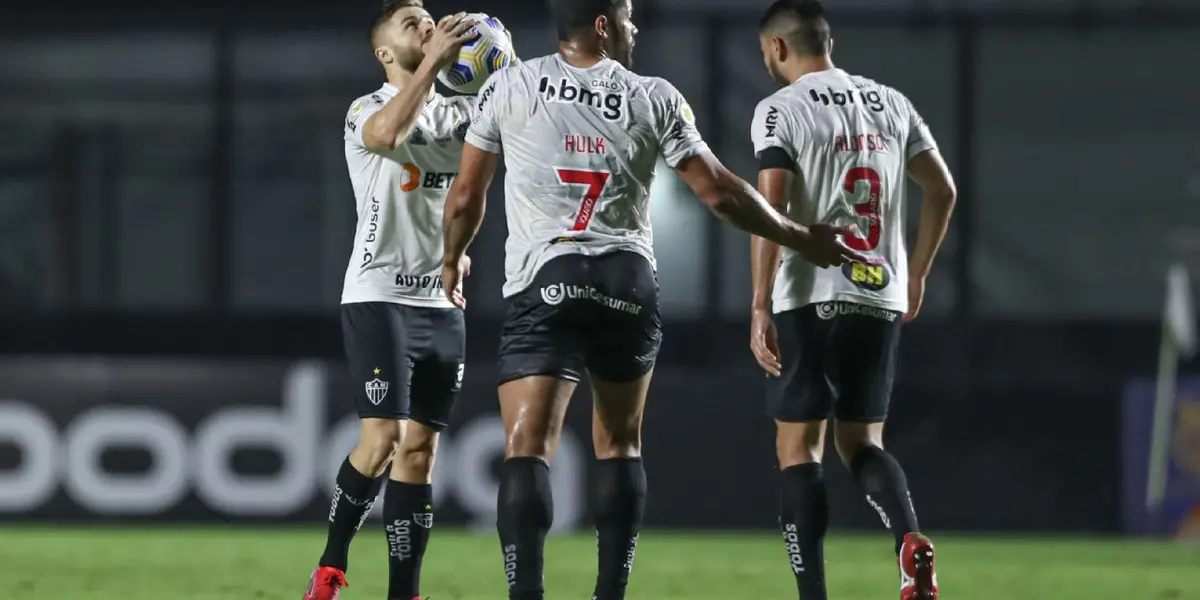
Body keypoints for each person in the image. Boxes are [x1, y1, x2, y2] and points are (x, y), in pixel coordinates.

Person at [439, 0, 864, 598]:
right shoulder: (654, 95)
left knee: (527, 446)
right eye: (629, 17)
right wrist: (800, 236)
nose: (636, 28)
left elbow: (463, 198)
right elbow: (719, 192)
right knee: (619, 443)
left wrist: (454, 255)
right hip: (626, 283)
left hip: (546, 281)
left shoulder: (509, 84)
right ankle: (610, 592)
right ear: (604, 26)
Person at [747, 1, 958, 599]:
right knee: (863, 442)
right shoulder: (893, 102)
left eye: (766, 53)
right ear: (829, 41)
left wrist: (760, 300)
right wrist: (916, 273)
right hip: (877, 293)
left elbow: (772, 207)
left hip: (807, 296)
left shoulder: (780, 109)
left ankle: (812, 592)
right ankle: (909, 540)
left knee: (798, 450)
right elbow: (942, 188)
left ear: (780, 48)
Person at [302, 2, 479, 599]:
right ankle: (330, 566)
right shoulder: (368, 108)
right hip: (379, 295)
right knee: (383, 440)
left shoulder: (462, 112)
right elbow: (389, 137)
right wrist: (431, 66)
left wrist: (460, 247)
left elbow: (470, 193)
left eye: (428, 17)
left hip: (442, 302)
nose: (426, 25)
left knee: (421, 454)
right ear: (385, 53)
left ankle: (405, 591)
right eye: (411, 23)